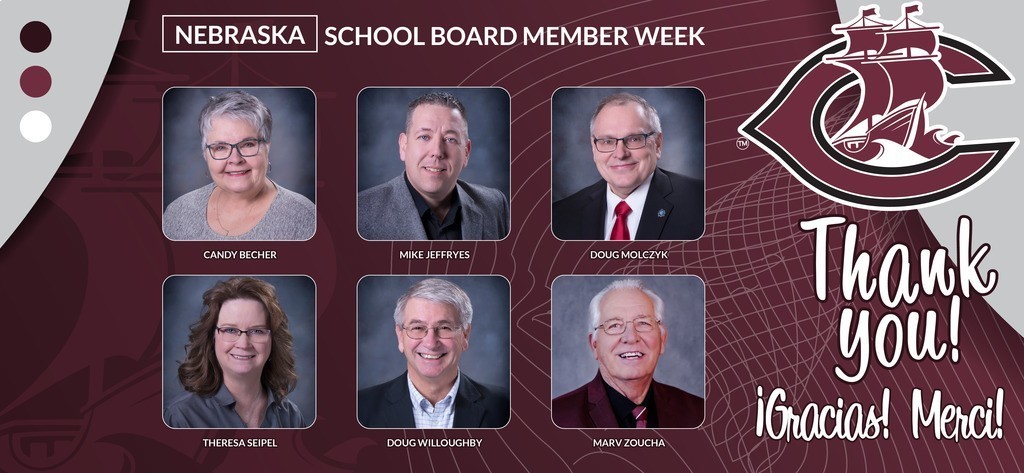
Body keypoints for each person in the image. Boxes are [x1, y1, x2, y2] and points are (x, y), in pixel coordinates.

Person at [163, 90, 315, 240]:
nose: (235, 159)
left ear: (267, 147)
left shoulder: (304, 217)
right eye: (220, 147)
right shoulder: (178, 212)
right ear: (205, 154)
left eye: (248, 144)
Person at [358, 278, 510, 428]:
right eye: (417, 328)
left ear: (465, 335)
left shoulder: (505, 406)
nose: (431, 343)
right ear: (400, 336)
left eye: (444, 327)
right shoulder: (360, 407)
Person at [357, 92, 510, 240]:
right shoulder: (361, 213)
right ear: (403, 146)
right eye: (424, 137)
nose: (437, 152)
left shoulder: (494, 206)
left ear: (466, 152)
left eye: (450, 139)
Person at [552, 279, 703, 428]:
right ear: (595, 345)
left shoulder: (699, 413)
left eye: (643, 323)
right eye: (614, 325)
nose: (631, 337)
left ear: (662, 340)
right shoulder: (557, 417)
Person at [552, 93, 703, 240]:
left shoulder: (704, 204)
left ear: (657, 144)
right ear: (593, 147)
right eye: (607, 141)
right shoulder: (560, 216)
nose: (620, 154)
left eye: (634, 139)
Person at [164, 277, 306, 428]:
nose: (243, 344)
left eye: (257, 331)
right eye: (230, 330)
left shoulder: (291, 416)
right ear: (212, 338)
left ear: (273, 340)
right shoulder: (179, 417)